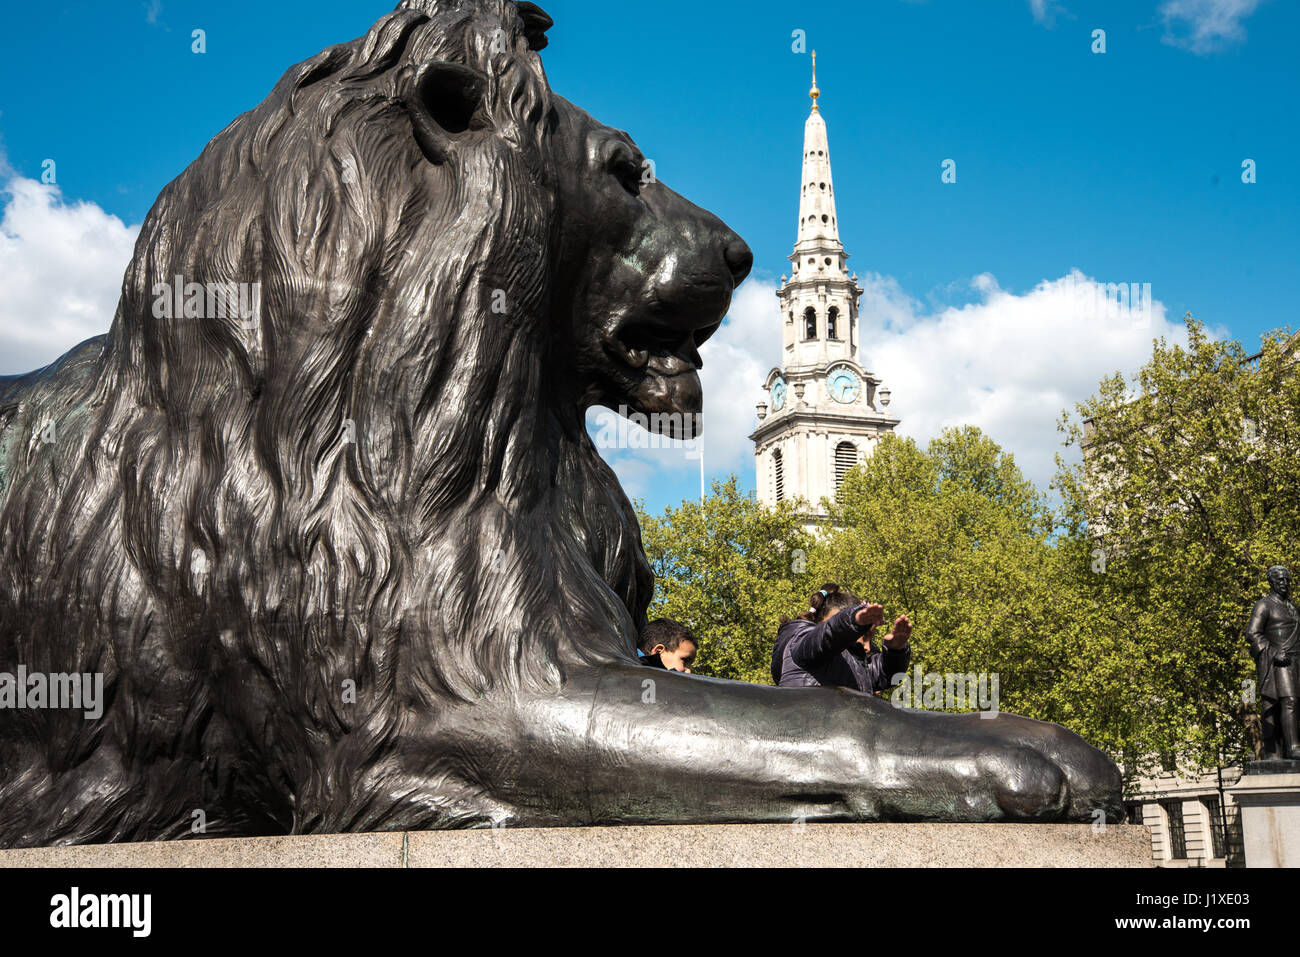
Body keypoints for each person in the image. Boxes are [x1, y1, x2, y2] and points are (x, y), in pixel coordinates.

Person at [772, 583, 911, 692]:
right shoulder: (802, 642)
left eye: (869, 637)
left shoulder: (854, 663)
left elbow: (885, 675)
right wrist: (854, 619)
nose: (867, 647)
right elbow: (829, 635)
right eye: (861, 635)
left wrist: (896, 651)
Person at [1245, 565, 1300, 759]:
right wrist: (1274, 652)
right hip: (1279, 663)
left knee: (1293, 703)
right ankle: (1293, 747)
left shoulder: (1293, 607)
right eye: (1280, 580)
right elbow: (1252, 633)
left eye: (1287, 580)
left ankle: (1279, 750)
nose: (1285, 584)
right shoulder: (1264, 605)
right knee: (1289, 700)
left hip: (1296, 661)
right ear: (1271, 582)